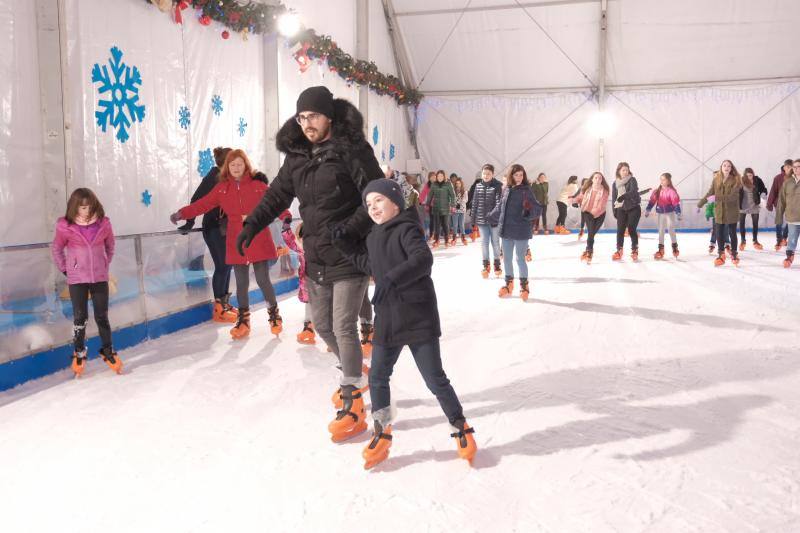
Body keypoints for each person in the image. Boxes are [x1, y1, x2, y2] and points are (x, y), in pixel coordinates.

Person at [235, 86, 382, 442]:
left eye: (312, 116)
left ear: (329, 116)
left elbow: (375, 195)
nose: (306, 124)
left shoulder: (352, 149)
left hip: (349, 252)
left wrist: (349, 231)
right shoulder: (298, 156)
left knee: (344, 327)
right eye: (301, 117)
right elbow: (276, 196)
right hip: (316, 254)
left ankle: (354, 401)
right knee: (326, 327)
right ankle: (355, 373)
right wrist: (252, 224)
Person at [332, 179, 477, 469]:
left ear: (395, 203)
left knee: (434, 378)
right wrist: (345, 246)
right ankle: (382, 432)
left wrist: (391, 279)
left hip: (417, 315)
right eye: (368, 204)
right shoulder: (373, 236)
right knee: (378, 377)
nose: (373, 207)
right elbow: (372, 267)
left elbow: (423, 260)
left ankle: (461, 428)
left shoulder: (408, 228)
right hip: (387, 317)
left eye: (379, 201)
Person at [171, 149, 290, 339]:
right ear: (227, 166)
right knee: (241, 283)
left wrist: (286, 217)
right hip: (237, 239)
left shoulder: (258, 185)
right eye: (232, 165)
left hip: (257, 236)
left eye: (239, 164)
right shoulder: (222, 188)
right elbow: (202, 204)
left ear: (246, 166)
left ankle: (274, 315)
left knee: (262, 280)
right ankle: (244, 321)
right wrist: (182, 214)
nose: (236, 168)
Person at [51, 188, 122, 377]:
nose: (87, 210)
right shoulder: (65, 226)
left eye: (89, 206)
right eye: (83, 207)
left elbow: (111, 246)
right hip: (77, 280)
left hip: (99, 277)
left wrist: (104, 263)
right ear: (75, 207)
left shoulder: (103, 224)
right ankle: (79, 351)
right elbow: (57, 249)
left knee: (102, 316)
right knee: (80, 318)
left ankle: (108, 350)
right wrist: (66, 269)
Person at [176, 147, 239, 323]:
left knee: (228, 265)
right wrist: (190, 222)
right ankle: (219, 308)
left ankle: (224, 304)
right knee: (223, 266)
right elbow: (197, 199)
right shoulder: (214, 176)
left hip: (225, 229)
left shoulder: (230, 179)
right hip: (213, 228)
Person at [489, 165, 540, 301]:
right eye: (516, 175)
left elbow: (537, 208)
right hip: (506, 230)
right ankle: (508, 284)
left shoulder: (526, 190)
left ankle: (524, 286)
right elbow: (500, 206)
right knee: (506, 258)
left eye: (521, 175)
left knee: (520, 259)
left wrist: (528, 213)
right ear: (511, 176)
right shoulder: (506, 189)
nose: (518, 177)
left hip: (521, 229)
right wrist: (490, 216)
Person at [698, 160, 743, 266]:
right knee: (719, 233)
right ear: (721, 167)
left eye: (729, 166)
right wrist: (700, 203)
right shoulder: (716, 179)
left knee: (732, 233)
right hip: (719, 211)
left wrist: (716, 197)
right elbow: (710, 193)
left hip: (731, 211)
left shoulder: (736, 180)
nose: (726, 167)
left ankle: (734, 253)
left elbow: (733, 197)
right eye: (724, 165)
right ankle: (721, 253)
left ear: (731, 168)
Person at [281, 221, 316, 345]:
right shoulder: (300, 247)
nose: (302, 241)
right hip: (307, 283)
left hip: (321, 282)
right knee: (309, 305)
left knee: (327, 307)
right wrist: (286, 229)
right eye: (300, 238)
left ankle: (333, 335)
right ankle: (308, 329)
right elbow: (291, 241)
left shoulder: (318, 248)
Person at [470, 164, 504, 278]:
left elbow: (499, 203)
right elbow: (474, 203)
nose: (486, 175)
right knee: (484, 243)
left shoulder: (497, 186)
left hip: (494, 220)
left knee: (495, 242)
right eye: (484, 173)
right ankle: (486, 265)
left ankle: (497, 264)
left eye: (488, 173)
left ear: (493, 174)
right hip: (481, 220)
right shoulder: (478, 186)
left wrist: (493, 215)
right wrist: (473, 219)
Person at [573, 172, 610, 264]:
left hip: (600, 215)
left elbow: (601, 205)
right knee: (590, 233)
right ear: (592, 179)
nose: (598, 179)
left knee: (592, 234)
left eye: (600, 178)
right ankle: (590, 252)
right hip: (587, 213)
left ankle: (587, 250)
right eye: (596, 178)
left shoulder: (604, 191)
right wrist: (575, 201)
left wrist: (593, 213)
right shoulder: (586, 189)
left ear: (602, 180)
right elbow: (580, 197)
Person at [644, 173, 682, 259]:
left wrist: (678, 213)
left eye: (663, 179)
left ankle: (675, 247)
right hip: (660, 214)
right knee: (661, 231)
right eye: (660, 179)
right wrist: (648, 210)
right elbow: (652, 201)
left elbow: (675, 203)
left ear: (668, 181)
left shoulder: (671, 191)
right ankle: (661, 249)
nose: (661, 181)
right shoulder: (657, 191)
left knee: (671, 230)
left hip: (670, 213)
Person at [611, 162, 642, 261]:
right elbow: (614, 198)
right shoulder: (615, 183)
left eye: (627, 170)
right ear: (619, 171)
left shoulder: (632, 180)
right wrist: (614, 210)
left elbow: (633, 192)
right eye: (623, 170)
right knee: (620, 230)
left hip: (633, 208)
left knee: (632, 229)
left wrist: (623, 197)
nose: (625, 172)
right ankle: (619, 250)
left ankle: (634, 250)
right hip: (621, 209)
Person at [738, 167, 768, 250]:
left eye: (750, 175)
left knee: (755, 223)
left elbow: (764, 189)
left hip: (754, 204)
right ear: (744, 175)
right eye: (747, 176)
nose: (749, 177)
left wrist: (763, 194)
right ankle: (743, 241)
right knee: (742, 224)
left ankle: (755, 240)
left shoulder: (757, 180)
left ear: (753, 174)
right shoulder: (741, 181)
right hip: (743, 205)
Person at [778, 159, 800, 268]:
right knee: (792, 238)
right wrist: (779, 217)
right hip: (792, 217)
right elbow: (781, 200)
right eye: (794, 167)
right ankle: (789, 256)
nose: (795, 169)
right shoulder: (787, 182)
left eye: (798, 166)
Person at [766, 159, 793, 250]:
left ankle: (784, 237)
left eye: (791, 167)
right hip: (779, 202)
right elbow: (773, 191)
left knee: (791, 220)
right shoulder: (778, 178)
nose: (789, 168)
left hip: (791, 202)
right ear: (784, 167)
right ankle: (779, 240)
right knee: (779, 221)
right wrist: (769, 204)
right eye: (787, 167)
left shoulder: (795, 177)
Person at [426, 170, 455, 248]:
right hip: (436, 208)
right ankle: (437, 240)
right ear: (436, 177)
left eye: (441, 176)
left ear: (444, 176)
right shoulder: (434, 185)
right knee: (437, 225)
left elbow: (452, 195)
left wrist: (453, 205)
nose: (440, 177)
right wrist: (427, 204)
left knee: (445, 225)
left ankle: (446, 240)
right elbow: (430, 195)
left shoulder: (448, 184)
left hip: (445, 208)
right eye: (438, 176)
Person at [452, 178, 468, 245]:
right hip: (455, 210)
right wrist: (455, 204)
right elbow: (452, 199)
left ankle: (463, 237)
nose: (458, 185)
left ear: (461, 184)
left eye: (459, 183)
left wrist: (460, 203)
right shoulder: (453, 191)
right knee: (455, 225)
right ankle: (454, 237)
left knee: (461, 224)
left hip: (462, 209)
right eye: (456, 183)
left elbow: (465, 200)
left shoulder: (464, 191)